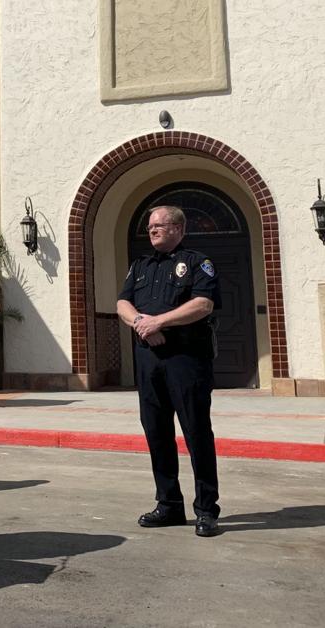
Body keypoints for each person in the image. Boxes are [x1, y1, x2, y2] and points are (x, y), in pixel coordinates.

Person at [116, 205, 222, 537]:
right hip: (149, 360)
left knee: (196, 433)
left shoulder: (196, 262)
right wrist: (141, 324)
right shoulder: (140, 266)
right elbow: (122, 303)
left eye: (159, 226)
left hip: (186, 359)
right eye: (149, 227)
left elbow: (204, 304)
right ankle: (169, 505)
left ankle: (206, 509)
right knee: (157, 433)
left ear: (178, 227)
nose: (152, 231)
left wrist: (159, 321)